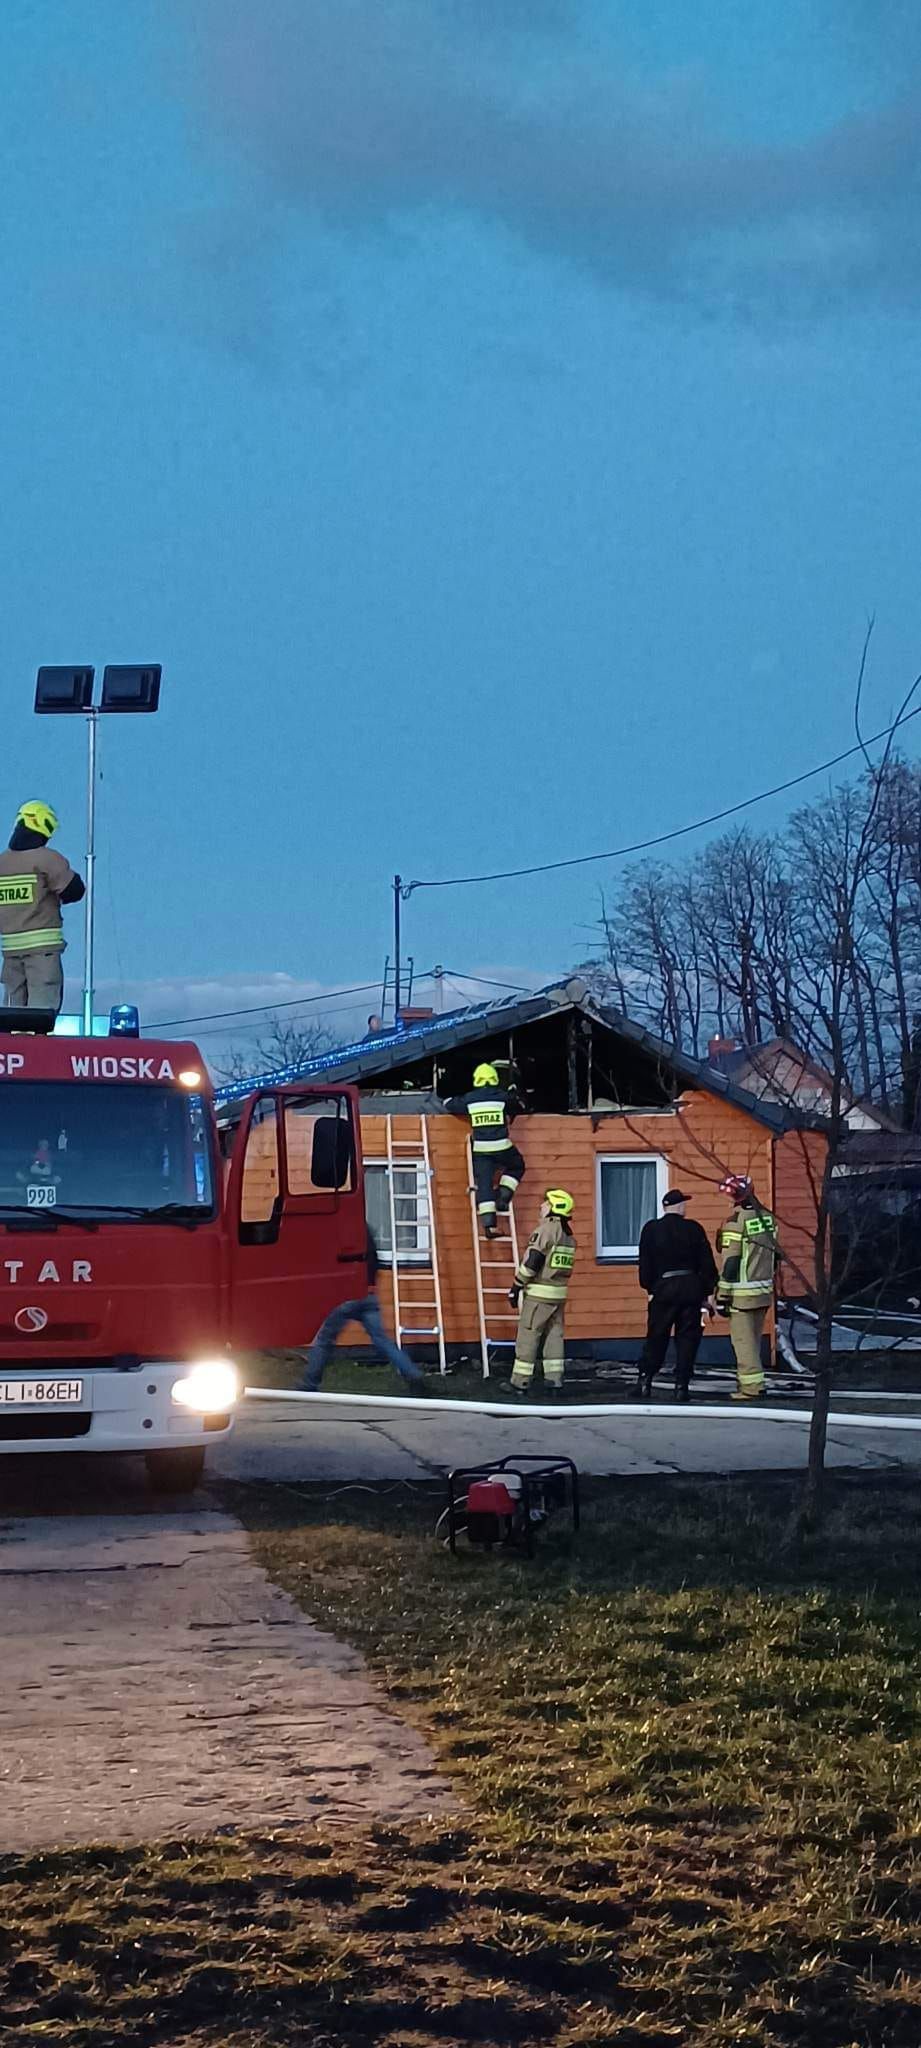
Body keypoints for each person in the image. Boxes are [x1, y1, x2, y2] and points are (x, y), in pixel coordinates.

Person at [301, 1225, 426, 1390]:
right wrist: (371, 1283)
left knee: (324, 1340)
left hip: (342, 1296)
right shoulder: (361, 1227)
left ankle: (309, 1384)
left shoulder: (329, 1229)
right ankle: (412, 1374)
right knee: (382, 1340)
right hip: (367, 1294)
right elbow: (374, 1256)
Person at [0, 802, 84, 1013]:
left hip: (10, 955)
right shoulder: (47, 860)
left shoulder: (2, 864)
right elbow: (75, 890)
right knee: (40, 1015)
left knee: (11, 1013)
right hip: (42, 955)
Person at [636, 1188, 718, 1402]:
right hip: (691, 1289)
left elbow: (645, 1263)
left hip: (663, 1289)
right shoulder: (693, 1229)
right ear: (680, 1206)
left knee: (656, 1336)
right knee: (688, 1338)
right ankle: (681, 1386)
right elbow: (706, 1262)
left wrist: (650, 1288)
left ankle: (645, 1381)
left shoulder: (652, 1229)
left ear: (664, 1207)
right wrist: (708, 1291)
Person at [715, 1173, 780, 1400]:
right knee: (753, 1339)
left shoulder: (736, 1222)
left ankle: (752, 1388)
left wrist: (722, 1296)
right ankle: (756, 1383)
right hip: (763, 1292)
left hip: (741, 1295)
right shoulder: (767, 1218)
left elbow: (731, 1262)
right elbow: (776, 1256)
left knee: (744, 1344)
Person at [445, 1062, 525, 1237]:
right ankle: (504, 1197)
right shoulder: (502, 1097)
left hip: (481, 1151)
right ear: (495, 1078)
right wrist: (513, 1093)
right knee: (517, 1166)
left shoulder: (470, 1099)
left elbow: (450, 1105)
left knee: (484, 1185)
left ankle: (489, 1226)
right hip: (502, 1146)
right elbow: (518, 1106)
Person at [509, 1189, 576, 1394]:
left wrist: (516, 1285)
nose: (541, 1206)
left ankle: (520, 1383)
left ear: (554, 1207)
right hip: (559, 1295)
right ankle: (554, 1382)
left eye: (545, 1203)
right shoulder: (568, 1236)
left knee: (529, 1336)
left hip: (539, 1296)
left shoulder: (546, 1230)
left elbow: (533, 1261)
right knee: (554, 1338)